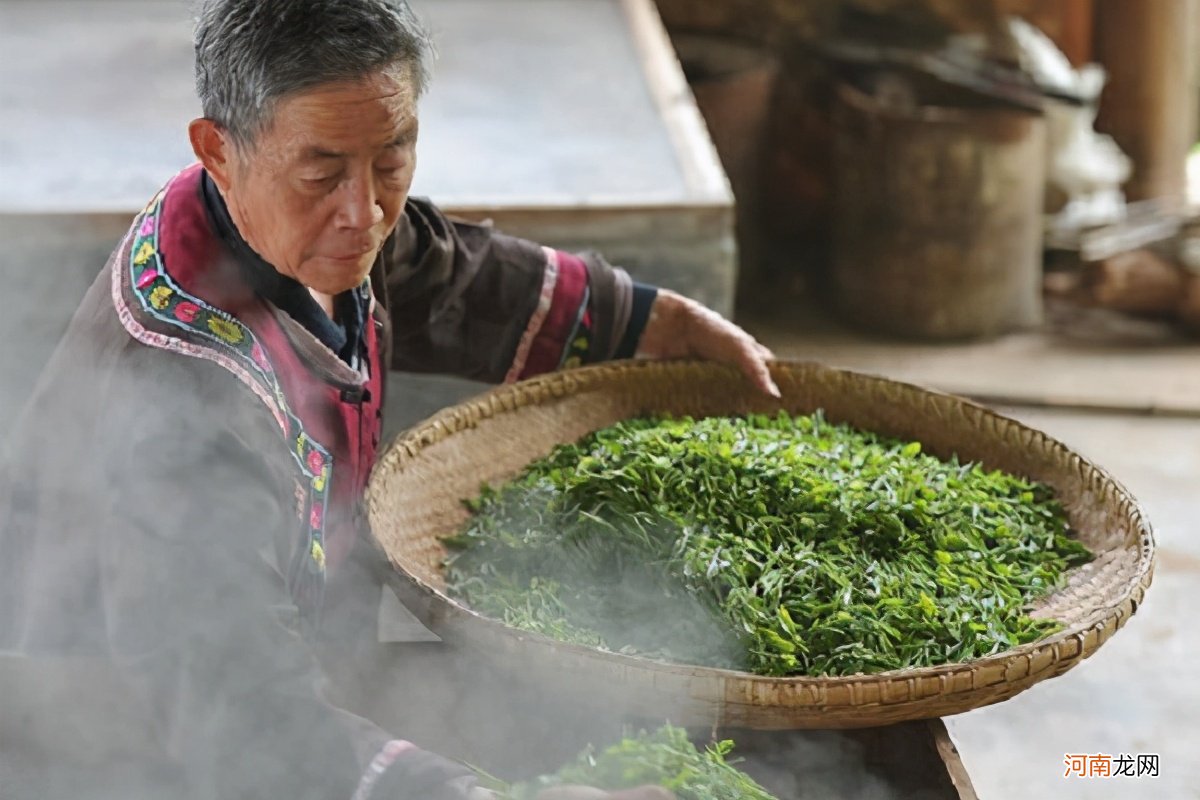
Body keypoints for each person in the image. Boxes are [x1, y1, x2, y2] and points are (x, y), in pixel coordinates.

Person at [0, 1, 777, 797]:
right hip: (131, 726)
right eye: (323, 172)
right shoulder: (178, 413)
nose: (365, 212)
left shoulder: (284, 220)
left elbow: (441, 271)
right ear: (217, 151)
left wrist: (651, 322)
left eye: (393, 158)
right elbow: (241, 718)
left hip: (299, 643)